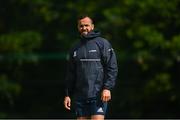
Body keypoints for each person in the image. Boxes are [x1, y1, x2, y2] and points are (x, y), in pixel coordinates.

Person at [64, 15, 118, 120]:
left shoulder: (102, 43)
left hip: (97, 95)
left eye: (86, 25)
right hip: (80, 96)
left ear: (92, 26)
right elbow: (71, 73)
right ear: (78, 27)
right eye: (81, 26)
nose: (84, 28)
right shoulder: (75, 47)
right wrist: (67, 94)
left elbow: (112, 67)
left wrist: (107, 88)